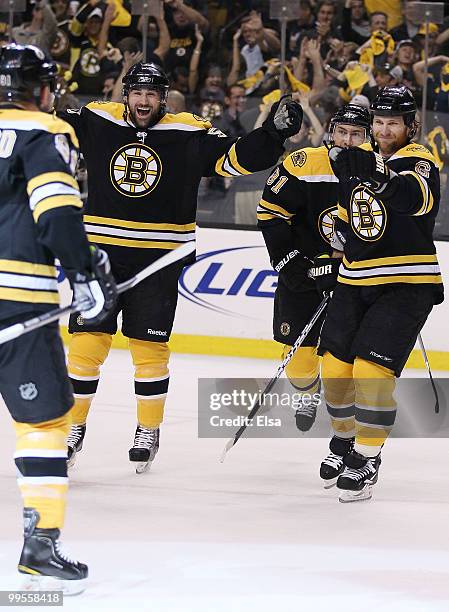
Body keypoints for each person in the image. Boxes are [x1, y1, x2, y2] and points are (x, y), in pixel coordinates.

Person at [59, 62, 303, 473]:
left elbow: (233, 160)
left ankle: (148, 430)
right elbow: (44, 126)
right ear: (126, 93)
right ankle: (73, 427)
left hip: (160, 259)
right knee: (86, 345)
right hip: (100, 258)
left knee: (149, 349)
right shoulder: (97, 119)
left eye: (152, 94)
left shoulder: (189, 131)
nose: (144, 100)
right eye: (137, 92)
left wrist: (272, 134)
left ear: (165, 97)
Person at [0, 44, 116, 590]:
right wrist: (86, 273)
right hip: (17, 300)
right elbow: (57, 212)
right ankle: (39, 544)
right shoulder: (44, 132)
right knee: (44, 423)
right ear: (41, 88)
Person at [316, 86, 444, 502]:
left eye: (394, 123)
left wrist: (374, 171)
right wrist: (332, 246)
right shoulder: (357, 160)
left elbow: (413, 200)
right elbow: (344, 216)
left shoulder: (419, 160)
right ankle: (350, 438)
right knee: (334, 376)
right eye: (380, 122)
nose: (385, 130)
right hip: (354, 282)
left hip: (406, 285)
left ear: (411, 126)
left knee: (371, 374)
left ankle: (368, 457)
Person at [257, 104, 371, 432]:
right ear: (330, 132)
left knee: (347, 361)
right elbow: (271, 216)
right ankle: (309, 392)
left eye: (357, 135)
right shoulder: (302, 164)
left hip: (354, 279)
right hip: (305, 276)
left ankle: (349, 432)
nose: (347, 141)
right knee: (298, 363)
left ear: (368, 139)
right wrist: (294, 265)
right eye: (342, 132)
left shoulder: (379, 171)